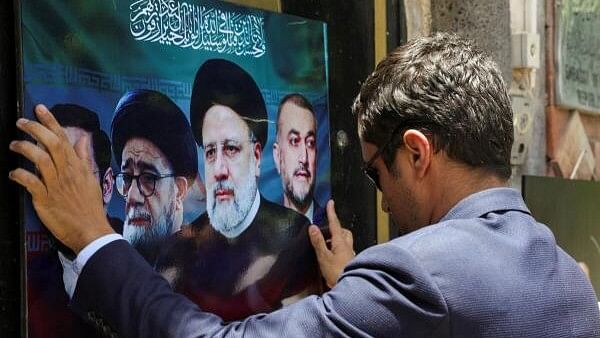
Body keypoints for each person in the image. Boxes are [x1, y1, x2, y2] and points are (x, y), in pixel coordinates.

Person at [10, 33, 600, 337]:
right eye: (208, 148)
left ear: (417, 152)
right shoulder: (570, 279)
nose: (381, 199)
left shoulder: (417, 274)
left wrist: (93, 237)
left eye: (376, 172)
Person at [154, 59, 321, 321]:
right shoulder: (176, 255)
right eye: (210, 152)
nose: (219, 168)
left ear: (256, 156)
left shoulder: (296, 238)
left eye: (231, 149)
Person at [27, 103, 119, 338]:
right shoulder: (29, 283)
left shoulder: (148, 265)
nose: (58, 193)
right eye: (46, 176)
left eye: (73, 178)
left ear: (107, 186)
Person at [110, 89, 197, 264]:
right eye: (127, 179)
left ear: (179, 191)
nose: (132, 196)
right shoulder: (110, 268)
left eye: (149, 178)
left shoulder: (204, 273)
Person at [273, 93, 326, 225]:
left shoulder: (335, 231)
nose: (304, 158)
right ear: (277, 156)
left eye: (310, 143)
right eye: (294, 141)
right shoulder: (261, 236)